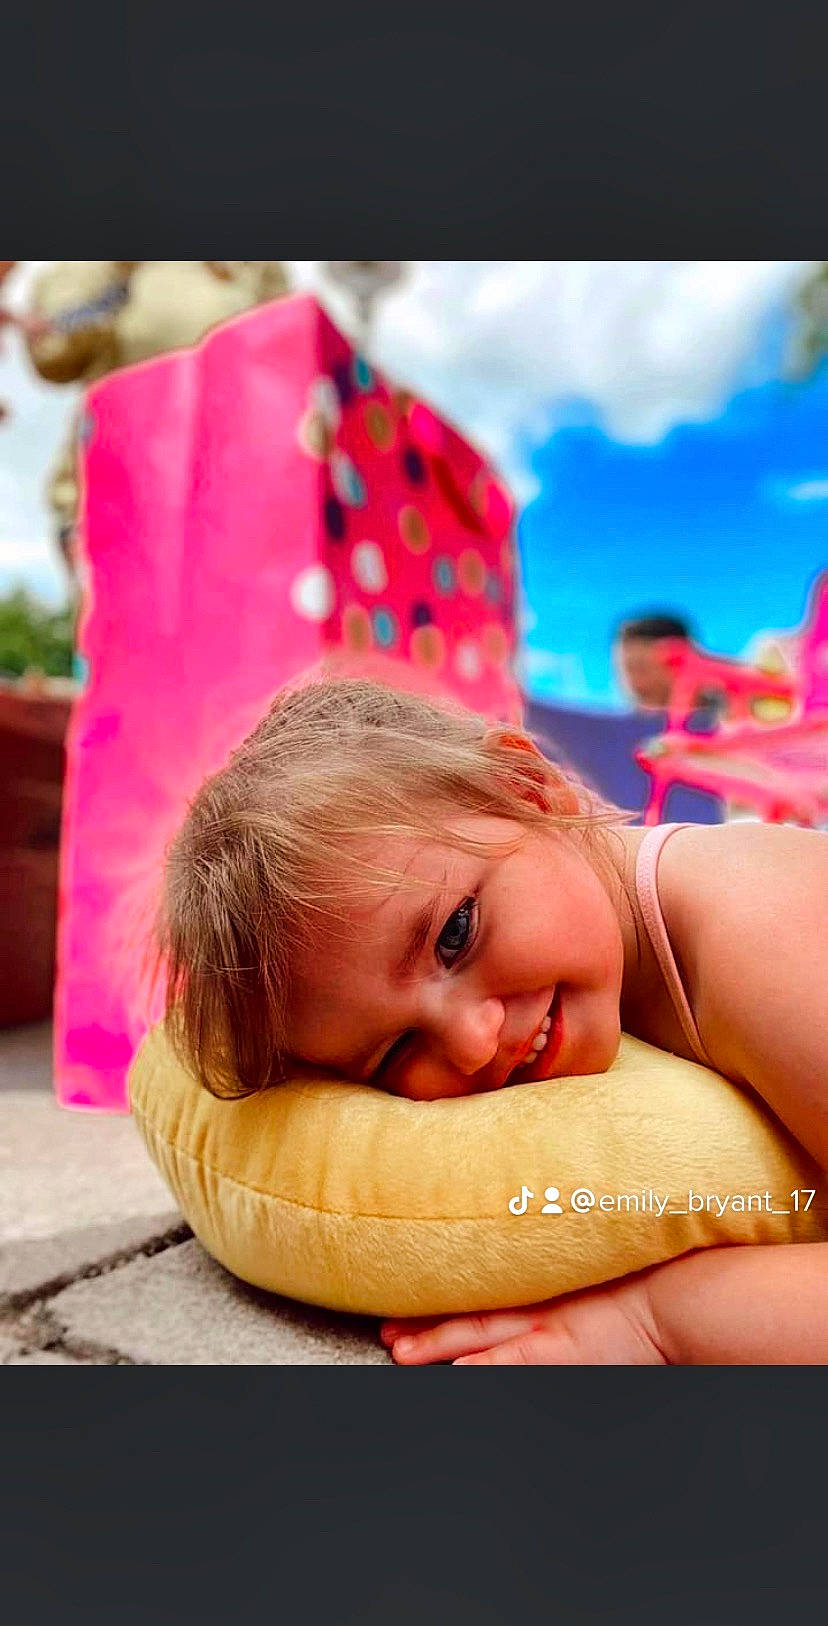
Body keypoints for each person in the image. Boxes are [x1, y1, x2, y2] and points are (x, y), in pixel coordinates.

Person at [156, 676, 828, 1364]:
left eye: (455, 934)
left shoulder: (755, 926)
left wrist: (659, 1321)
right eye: (393, 1053)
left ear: (527, 790)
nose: (474, 1044)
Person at [613, 612, 695, 711]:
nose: (634, 680)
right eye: (628, 668)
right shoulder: (615, 722)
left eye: (641, 667)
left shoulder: (714, 717)